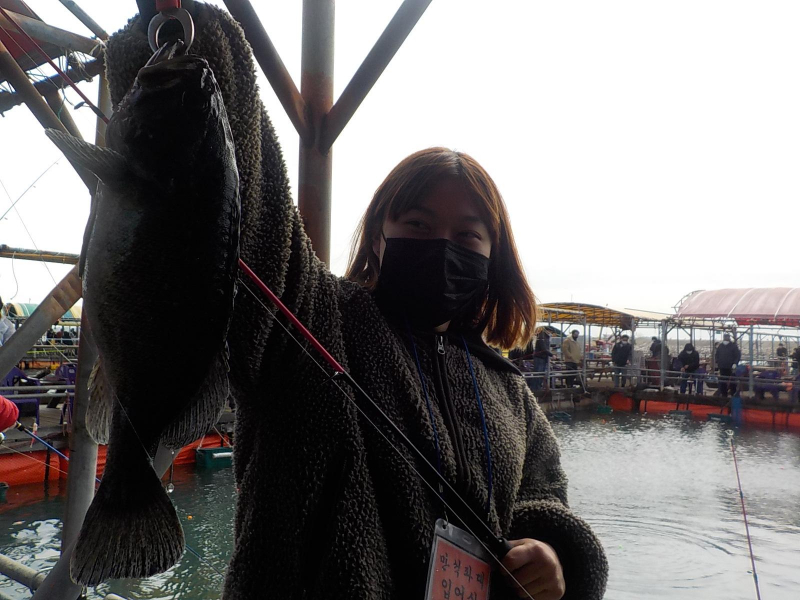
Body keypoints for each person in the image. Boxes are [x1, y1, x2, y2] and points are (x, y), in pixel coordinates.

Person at [107, 10, 606, 599]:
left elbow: (543, 500)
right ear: (376, 236)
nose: (442, 244)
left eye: (468, 234)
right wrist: (189, 42)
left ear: (495, 256)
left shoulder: (511, 393)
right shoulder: (316, 317)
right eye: (417, 223)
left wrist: (553, 554)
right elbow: (258, 210)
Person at [716, 333, 741, 398]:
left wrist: (735, 363)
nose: (726, 338)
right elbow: (717, 355)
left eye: (727, 337)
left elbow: (737, 356)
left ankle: (733, 394)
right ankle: (724, 395)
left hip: (730, 367)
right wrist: (718, 363)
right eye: (725, 337)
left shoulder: (733, 346)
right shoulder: (721, 346)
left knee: (732, 382)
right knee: (723, 382)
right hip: (723, 367)